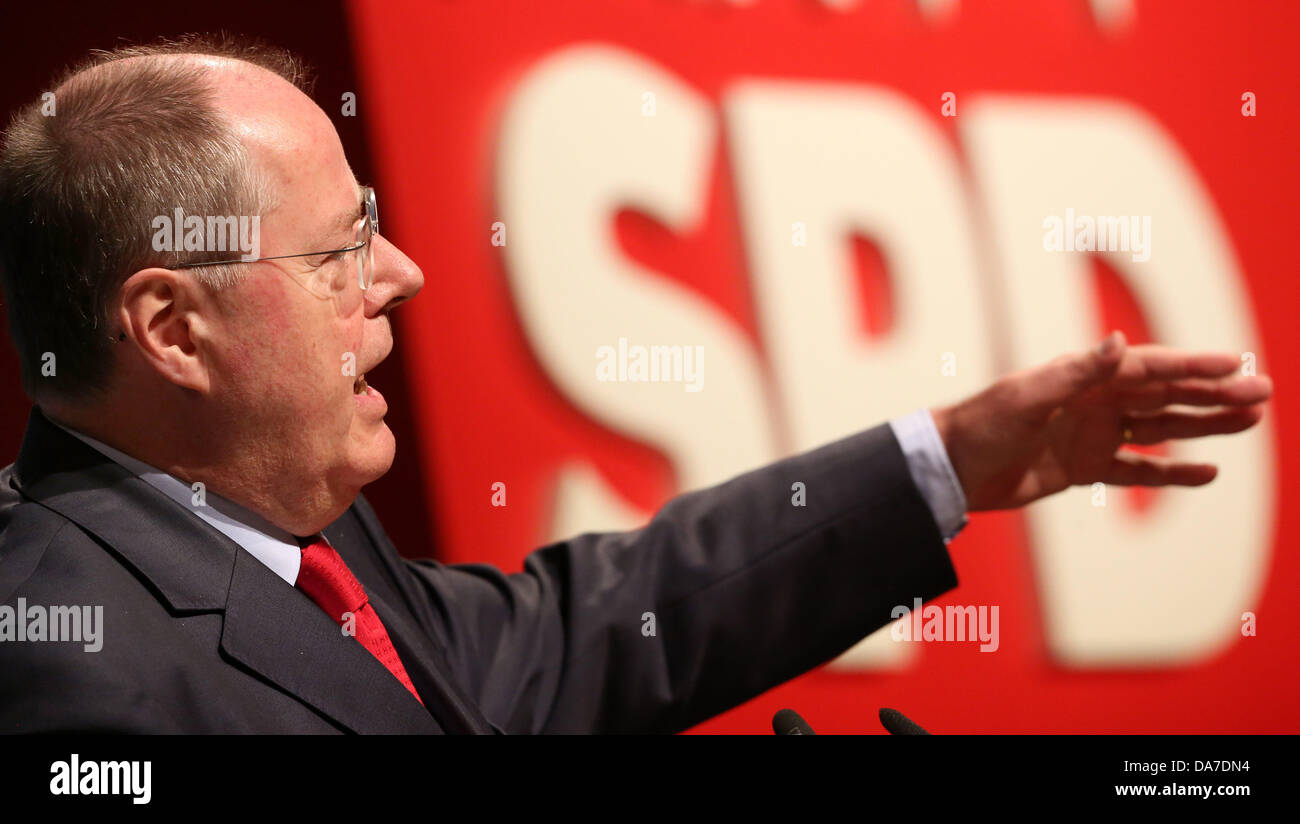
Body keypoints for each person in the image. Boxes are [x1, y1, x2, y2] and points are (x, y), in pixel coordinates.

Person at [0, 36, 1272, 733]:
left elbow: (575, 631)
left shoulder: (279, 529)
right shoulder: (73, 671)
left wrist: (945, 457)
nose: (402, 271)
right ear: (174, 327)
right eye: (339, 250)